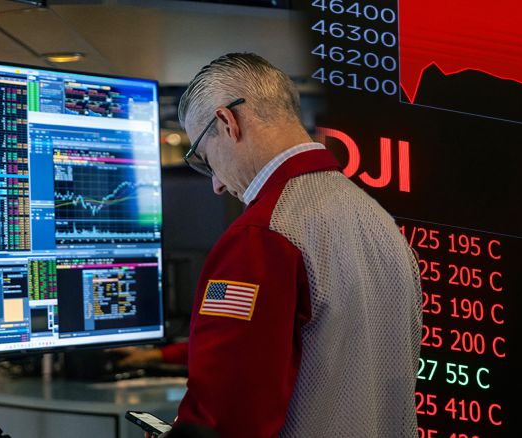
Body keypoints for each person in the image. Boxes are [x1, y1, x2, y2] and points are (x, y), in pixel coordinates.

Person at [167, 52, 422, 437]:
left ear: (228, 122)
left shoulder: (263, 235)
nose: (216, 184)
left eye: (205, 159)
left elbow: (227, 415)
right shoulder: (380, 222)